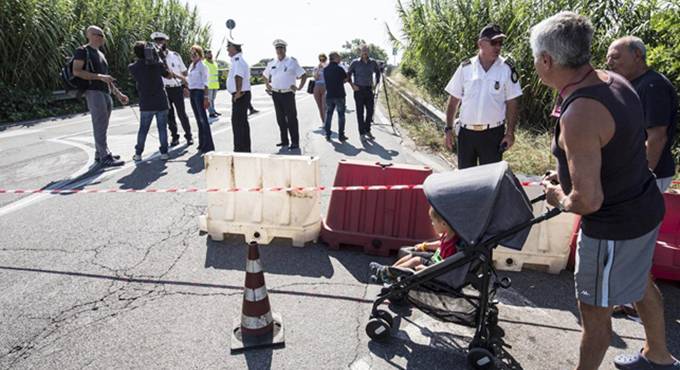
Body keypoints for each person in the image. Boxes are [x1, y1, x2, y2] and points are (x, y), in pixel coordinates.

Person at [531, 11, 678, 370]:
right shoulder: (614, 80)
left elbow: (588, 200)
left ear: (547, 61)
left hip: (612, 228)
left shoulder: (578, 112)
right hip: (642, 207)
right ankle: (659, 355)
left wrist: (560, 196)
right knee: (640, 280)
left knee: (595, 314)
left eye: (536, 58)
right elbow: (618, 146)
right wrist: (567, 172)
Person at [606, 37, 679, 323]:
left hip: (648, 175)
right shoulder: (633, 84)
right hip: (633, 175)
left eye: (616, 57)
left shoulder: (653, 86)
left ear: (638, 55)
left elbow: (656, 136)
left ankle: (638, 304)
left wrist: (641, 179)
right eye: (609, 58)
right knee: (629, 239)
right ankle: (629, 299)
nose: (610, 63)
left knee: (636, 241)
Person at [443, 24, 522, 169]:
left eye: (500, 43)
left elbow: (512, 102)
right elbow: (453, 101)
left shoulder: (506, 69)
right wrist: (448, 129)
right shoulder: (465, 68)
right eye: (493, 42)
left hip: (493, 136)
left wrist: (510, 133)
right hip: (466, 135)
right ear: (480, 44)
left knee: (489, 183)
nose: (497, 47)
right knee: (466, 181)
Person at [72, 25, 128, 167]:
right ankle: (105, 156)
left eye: (102, 35)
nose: (102, 37)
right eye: (99, 34)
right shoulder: (82, 51)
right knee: (100, 123)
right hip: (93, 91)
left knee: (103, 124)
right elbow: (77, 71)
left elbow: (107, 78)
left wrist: (118, 94)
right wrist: (99, 77)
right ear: (90, 35)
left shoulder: (101, 54)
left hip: (105, 92)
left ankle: (100, 152)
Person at [369, 206, 459, 284]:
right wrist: (425, 246)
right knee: (412, 254)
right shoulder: (448, 234)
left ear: (443, 224)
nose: (432, 224)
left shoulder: (452, 245)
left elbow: (445, 265)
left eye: (433, 221)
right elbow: (439, 244)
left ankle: (387, 274)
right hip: (435, 259)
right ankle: (388, 271)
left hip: (438, 268)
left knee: (416, 260)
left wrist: (424, 269)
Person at [128, 41, 171, 161]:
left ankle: (138, 154)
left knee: (143, 129)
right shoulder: (157, 65)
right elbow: (168, 75)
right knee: (162, 128)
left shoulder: (133, 67)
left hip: (146, 102)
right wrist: (161, 58)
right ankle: (164, 153)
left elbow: (135, 69)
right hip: (161, 101)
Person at [263, 39, 308, 150]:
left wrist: (299, 87)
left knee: (292, 118)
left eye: (281, 48)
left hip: (288, 94)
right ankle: (284, 141)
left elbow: (304, 75)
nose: (279, 50)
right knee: (280, 119)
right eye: (277, 48)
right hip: (276, 94)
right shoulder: (272, 63)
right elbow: (264, 75)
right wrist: (267, 85)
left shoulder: (292, 62)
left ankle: (295, 142)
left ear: (285, 49)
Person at [152, 32, 193, 147]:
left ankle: (189, 135)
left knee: (182, 114)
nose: (159, 43)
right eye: (157, 41)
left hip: (177, 88)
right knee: (169, 115)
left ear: (165, 41)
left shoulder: (175, 55)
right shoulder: (155, 57)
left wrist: (185, 86)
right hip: (164, 90)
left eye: (161, 40)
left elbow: (184, 72)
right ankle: (175, 137)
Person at [348, 45, 381, 141]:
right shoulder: (355, 63)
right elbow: (348, 75)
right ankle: (361, 133)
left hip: (369, 89)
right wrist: (352, 85)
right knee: (360, 112)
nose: (365, 52)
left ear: (368, 52)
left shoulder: (373, 62)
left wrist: (376, 82)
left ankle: (367, 130)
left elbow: (378, 72)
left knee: (370, 111)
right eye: (363, 51)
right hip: (358, 90)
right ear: (360, 52)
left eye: (366, 51)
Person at [187, 45, 215, 153]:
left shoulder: (202, 66)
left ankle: (208, 144)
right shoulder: (191, 65)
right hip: (192, 92)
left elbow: (206, 83)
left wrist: (206, 97)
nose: (193, 56)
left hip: (200, 92)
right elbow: (189, 79)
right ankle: (202, 143)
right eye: (191, 54)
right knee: (198, 119)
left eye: (195, 54)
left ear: (200, 54)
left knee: (203, 118)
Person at [226, 38, 252, 152]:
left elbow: (238, 76)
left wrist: (238, 92)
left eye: (228, 46)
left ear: (233, 48)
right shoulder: (238, 60)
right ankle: (244, 148)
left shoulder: (237, 60)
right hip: (241, 94)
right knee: (241, 122)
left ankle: (240, 149)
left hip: (240, 95)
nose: (227, 49)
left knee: (238, 123)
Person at [322, 51, 348, 142]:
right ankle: (341, 135)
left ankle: (328, 134)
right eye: (339, 57)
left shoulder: (325, 69)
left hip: (329, 95)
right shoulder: (340, 69)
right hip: (340, 94)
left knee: (329, 115)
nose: (340, 59)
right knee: (341, 115)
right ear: (335, 58)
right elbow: (345, 79)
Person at [204, 49, 221, 118]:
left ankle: (213, 110)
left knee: (212, 99)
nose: (210, 54)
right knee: (209, 100)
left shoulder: (214, 63)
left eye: (211, 53)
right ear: (205, 55)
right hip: (208, 85)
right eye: (208, 53)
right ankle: (211, 113)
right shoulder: (204, 63)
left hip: (215, 85)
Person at [312, 53, 328, 124]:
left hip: (325, 86)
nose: (322, 60)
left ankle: (327, 121)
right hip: (317, 87)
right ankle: (323, 122)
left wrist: (324, 68)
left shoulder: (328, 67)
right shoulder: (316, 68)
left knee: (324, 106)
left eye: (323, 59)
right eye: (320, 59)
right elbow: (315, 78)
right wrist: (318, 69)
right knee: (320, 106)